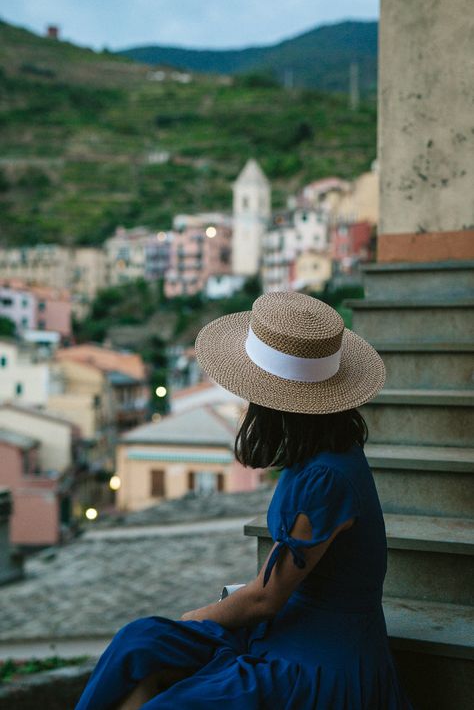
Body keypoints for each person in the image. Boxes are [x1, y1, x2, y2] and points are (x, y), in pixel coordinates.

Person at [75, 291, 414, 709]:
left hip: (315, 662)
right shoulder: (324, 452)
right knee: (138, 641)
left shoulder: (325, 477)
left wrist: (190, 619)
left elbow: (264, 598)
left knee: (163, 677)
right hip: (290, 629)